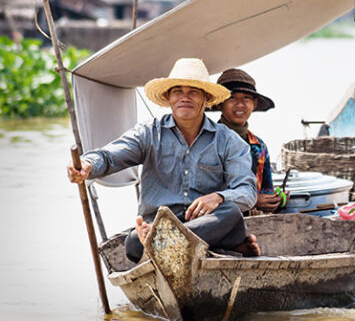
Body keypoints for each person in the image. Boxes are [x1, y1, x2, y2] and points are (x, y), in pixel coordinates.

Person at [67, 58, 260, 262]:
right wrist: (87, 165)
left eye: (193, 91)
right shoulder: (149, 133)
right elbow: (110, 156)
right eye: (178, 91)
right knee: (133, 241)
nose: (185, 97)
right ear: (169, 97)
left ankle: (166, 244)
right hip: (156, 227)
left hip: (207, 225)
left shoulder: (227, 140)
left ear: (206, 98)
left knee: (230, 213)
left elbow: (247, 191)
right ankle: (181, 243)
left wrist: (218, 197)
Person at [213, 68, 282, 214]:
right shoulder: (208, 140)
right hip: (217, 222)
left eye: (246, 98)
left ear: (255, 103)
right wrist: (253, 199)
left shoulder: (259, 146)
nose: (240, 104)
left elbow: (266, 190)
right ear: (219, 103)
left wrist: (275, 201)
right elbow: (200, 193)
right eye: (232, 98)